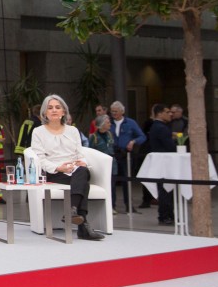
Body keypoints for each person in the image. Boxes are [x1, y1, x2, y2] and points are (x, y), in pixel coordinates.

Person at [30, 95, 104, 241]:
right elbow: (41, 159)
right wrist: (59, 167)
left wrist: (82, 162)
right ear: (44, 113)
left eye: (58, 107)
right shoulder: (38, 132)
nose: (54, 110)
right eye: (50, 108)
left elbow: (80, 154)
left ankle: (72, 211)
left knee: (82, 171)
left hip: (75, 170)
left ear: (64, 112)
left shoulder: (73, 131)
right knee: (84, 184)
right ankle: (82, 226)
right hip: (54, 172)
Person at [109, 101, 146, 210]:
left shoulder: (130, 123)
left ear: (122, 112)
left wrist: (133, 142)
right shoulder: (109, 123)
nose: (114, 114)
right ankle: (112, 205)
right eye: (112, 112)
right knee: (112, 180)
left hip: (126, 155)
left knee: (126, 179)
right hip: (113, 154)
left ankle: (129, 205)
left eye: (116, 111)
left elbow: (142, 136)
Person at [144, 104, 177, 225]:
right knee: (165, 190)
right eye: (167, 111)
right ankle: (165, 216)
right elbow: (170, 146)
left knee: (164, 190)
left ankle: (167, 215)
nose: (170, 114)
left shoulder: (157, 126)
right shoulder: (161, 128)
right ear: (159, 113)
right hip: (164, 163)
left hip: (160, 163)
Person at [89, 115, 119, 212]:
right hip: (101, 166)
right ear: (102, 124)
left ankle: (112, 206)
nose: (110, 124)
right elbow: (91, 152)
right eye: (107, 122)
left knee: (113, 187)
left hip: (112, 165)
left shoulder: (110, 134)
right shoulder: (94, 137)